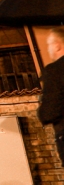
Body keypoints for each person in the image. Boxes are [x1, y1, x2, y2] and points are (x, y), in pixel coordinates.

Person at [39, 28, 64, 162]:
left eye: (48, 45)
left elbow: (50, 111)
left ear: (57, 45)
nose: (48, 50)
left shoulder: (54, 71)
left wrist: (42, 112)